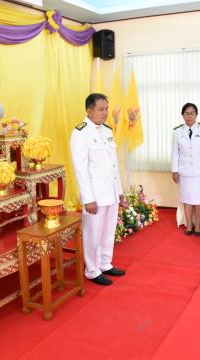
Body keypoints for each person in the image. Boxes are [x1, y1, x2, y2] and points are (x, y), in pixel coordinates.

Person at [70, 93, 125, 286]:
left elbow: (113, 164)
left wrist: (118, 189)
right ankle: (92, 270)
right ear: (89, 110)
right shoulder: (80, 133)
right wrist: (88, 198)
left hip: (110, 191)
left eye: (106, 109)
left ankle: (105, 263)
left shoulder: (107, 130)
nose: (105, 113)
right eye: (101, 109)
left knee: (108, 231)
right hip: (95, 195)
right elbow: (81, 169)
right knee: (93, 233)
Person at [171, 103, 200, 236]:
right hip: (184, 172)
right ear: (182, 115)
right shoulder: (177, 131)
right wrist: (174, 170)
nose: (189, 116)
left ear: (196, 115)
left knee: (199, 201)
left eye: (192, 113)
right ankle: (189, 225)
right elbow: (174, 153)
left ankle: (198, 226)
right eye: (186, 113)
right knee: (187, 200)